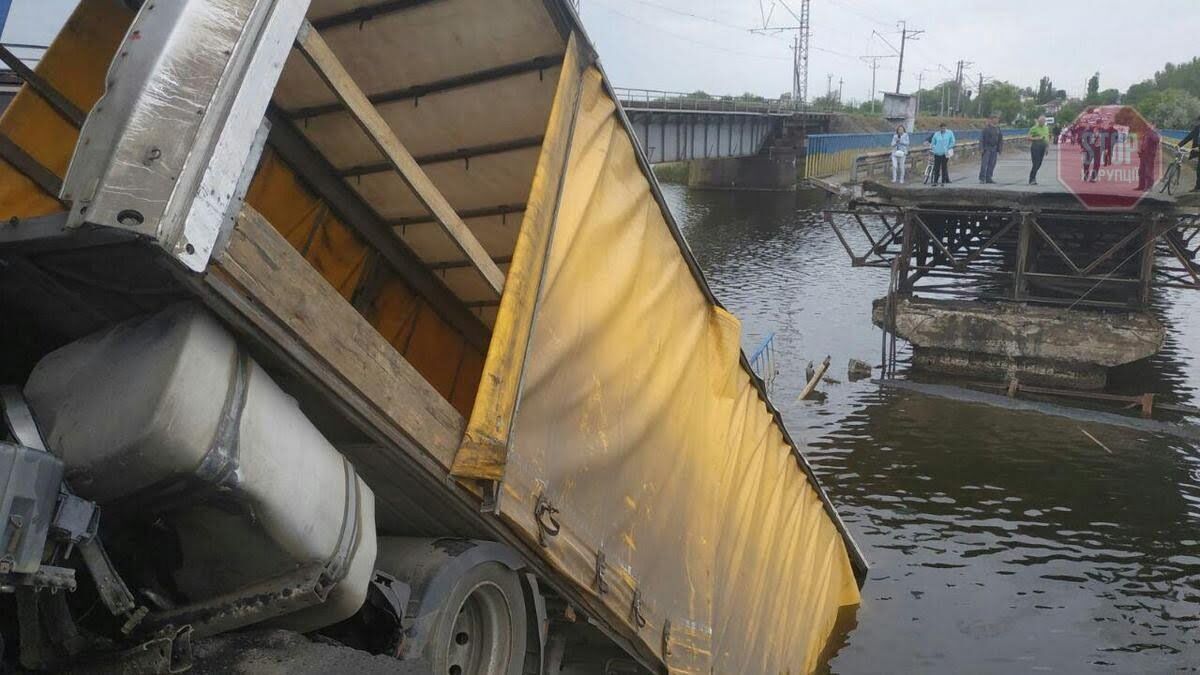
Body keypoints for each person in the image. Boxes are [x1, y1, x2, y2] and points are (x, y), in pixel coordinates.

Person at [979, 114, 1003, 184]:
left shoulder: (998, 129)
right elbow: (981, 139)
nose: (997, 120)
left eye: (998, 119)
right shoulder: (986, 128)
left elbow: (1000, 139)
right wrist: (981, 148)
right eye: (995, 119)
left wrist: (1000, 149)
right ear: (992, 119)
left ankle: (989, 178)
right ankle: (982, 178)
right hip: (987, 148)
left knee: (992, 164)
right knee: (984, 164)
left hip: (994, 149)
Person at [1178, 114, 1200, 191]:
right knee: (1198, 170)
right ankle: (1198, 188)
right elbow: (1189, 137)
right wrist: (1179, 145)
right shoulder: (1197, 129)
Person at [1028, 115, 1051, 185]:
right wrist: (1037, 138)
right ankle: (1032, 179)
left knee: (1039, 164)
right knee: (1036, 163)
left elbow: (1047, 138)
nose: (1042, 122)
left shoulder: (1046, 128)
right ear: (1038, 121)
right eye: (1041, 121)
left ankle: (1033, 177)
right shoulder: (1034, 128)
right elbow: (1028, 138)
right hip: (1035, 146)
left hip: (1043, 147)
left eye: (1043, 121)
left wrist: (1047, 148)